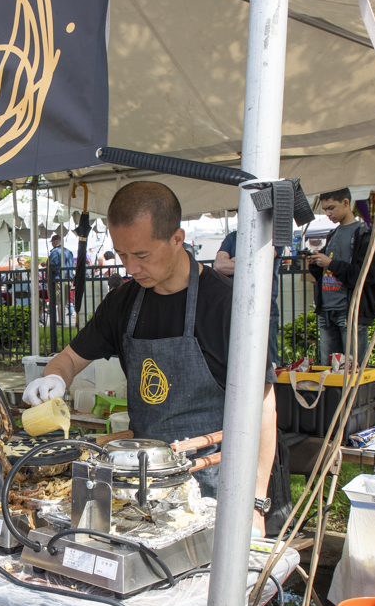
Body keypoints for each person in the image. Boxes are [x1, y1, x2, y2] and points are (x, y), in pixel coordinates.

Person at [22, 182, 276, 533]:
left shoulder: (227, 305)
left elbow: (263, 406)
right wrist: (53, 379)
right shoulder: (124, 302)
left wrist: (256, 502)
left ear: (177, 238)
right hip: (144, 484)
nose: (130, 267)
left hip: (218, 482)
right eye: (122, 254)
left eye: (141, 255)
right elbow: (68, 358)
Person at [308, 188, 375, 365]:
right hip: (327, 310)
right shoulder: (333, 234)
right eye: (325, 209)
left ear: (346, 203)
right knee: (328, 370)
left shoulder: (364, 234)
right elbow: (325, 272)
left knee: (352, 370)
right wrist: (315, 262)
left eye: (331, 208)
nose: (328, 213)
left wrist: (330, 264)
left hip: (350, 312)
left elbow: (366, 274)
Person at [215, 230, 283, 367]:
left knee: (269, 362)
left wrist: (234, 260)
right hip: (235, 306)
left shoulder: (273, 235)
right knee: (238, 358)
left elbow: (262, 261)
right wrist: (250, 261)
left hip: (265, 306)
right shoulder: (232, 237)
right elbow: (219, 265)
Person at [47, 233, 75, 320]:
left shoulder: (55, 252)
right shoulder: (69, 252)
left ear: (55, 242)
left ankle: (60, 320)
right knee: (64, 301)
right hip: (69, 278)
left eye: (52, 242)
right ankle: (62, 320)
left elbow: (51, 266)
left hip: (58, 278)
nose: (52, 244)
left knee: (59, 301)